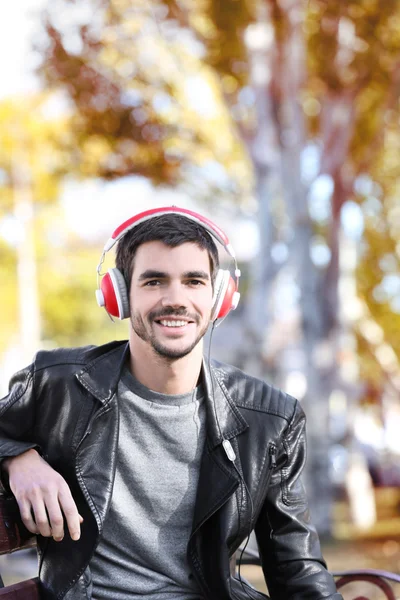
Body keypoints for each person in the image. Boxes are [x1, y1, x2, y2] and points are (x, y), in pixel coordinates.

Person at [0, 207, 343, 600]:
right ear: (119, 295)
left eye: (194, 281)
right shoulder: (56, 384)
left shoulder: (271, 417)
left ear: (219, 298)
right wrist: (18, 459)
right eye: (154, 281)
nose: (175, 300)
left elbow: (295, 565)